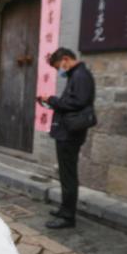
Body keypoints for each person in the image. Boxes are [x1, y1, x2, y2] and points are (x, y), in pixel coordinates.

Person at [37, 47, 95, 230]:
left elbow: (78, 102)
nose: (58, 70)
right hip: (66, 132)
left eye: (58, 66)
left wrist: (52, 99)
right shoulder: (75, 75)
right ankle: (64, 209)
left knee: (68, 175)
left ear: (66, 59)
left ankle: (68, 216)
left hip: (71, 134)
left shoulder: (81, 75)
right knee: (65, 173)